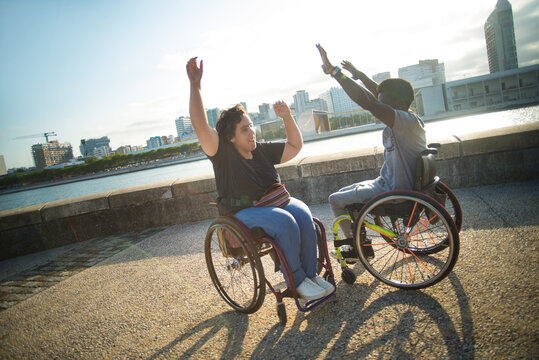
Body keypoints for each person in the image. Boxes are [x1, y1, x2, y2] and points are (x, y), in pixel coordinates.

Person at [186, 57, 334, 300]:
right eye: (244, 129)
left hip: (275, 202)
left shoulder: (261, 149)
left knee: (304, 214)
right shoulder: (222, 154)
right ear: (231, 137)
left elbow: (294, 146)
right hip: (242, 212)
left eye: (251, 125)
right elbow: (201, 126)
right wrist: (195, 85)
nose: (251, 132)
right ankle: (296, 281)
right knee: (285, 222)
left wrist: (287, 116)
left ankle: (310, 276)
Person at [316, 44, 426, 242]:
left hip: (393, 190)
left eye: (383, 104)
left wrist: (335, 72)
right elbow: (377, 94)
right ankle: (361, 232)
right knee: (343, 193)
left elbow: (369, 101)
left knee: (335, 200)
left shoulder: (401, 121)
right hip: (388, 183)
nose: (379, 108)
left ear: (399, 105)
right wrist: (359, 74)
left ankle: (356, 244)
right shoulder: (409, 118)